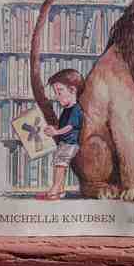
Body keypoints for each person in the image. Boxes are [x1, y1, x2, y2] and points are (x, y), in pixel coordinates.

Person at [38, 68, 84, 200]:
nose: (57, 97)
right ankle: (60, 190)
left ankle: (55, 188)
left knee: (60, 164)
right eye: (56, 93)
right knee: (59, 163)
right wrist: (53, 129)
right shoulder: (67, 110)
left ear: (72, 90)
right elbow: (64, 125)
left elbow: (70, 127)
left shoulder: (75, 110)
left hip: (71, 143)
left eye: (59, 92)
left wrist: (57, 132)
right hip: (65, 143)